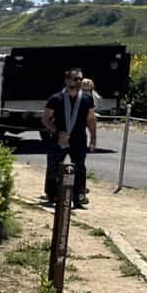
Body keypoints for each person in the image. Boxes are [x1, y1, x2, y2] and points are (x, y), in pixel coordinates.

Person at [42, 68, 97, 208]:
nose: (79, 81)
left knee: (79, 167)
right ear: (67, 80)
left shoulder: (86, 98)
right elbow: (46, 119)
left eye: (80, 79)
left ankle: (79, 196)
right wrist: (57, 131)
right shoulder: (56, 99)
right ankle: (52, 194)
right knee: (54, 166)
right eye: (75, 79)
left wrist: (93, 138)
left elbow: (91, 119)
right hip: (58, 139)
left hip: (78, 139)